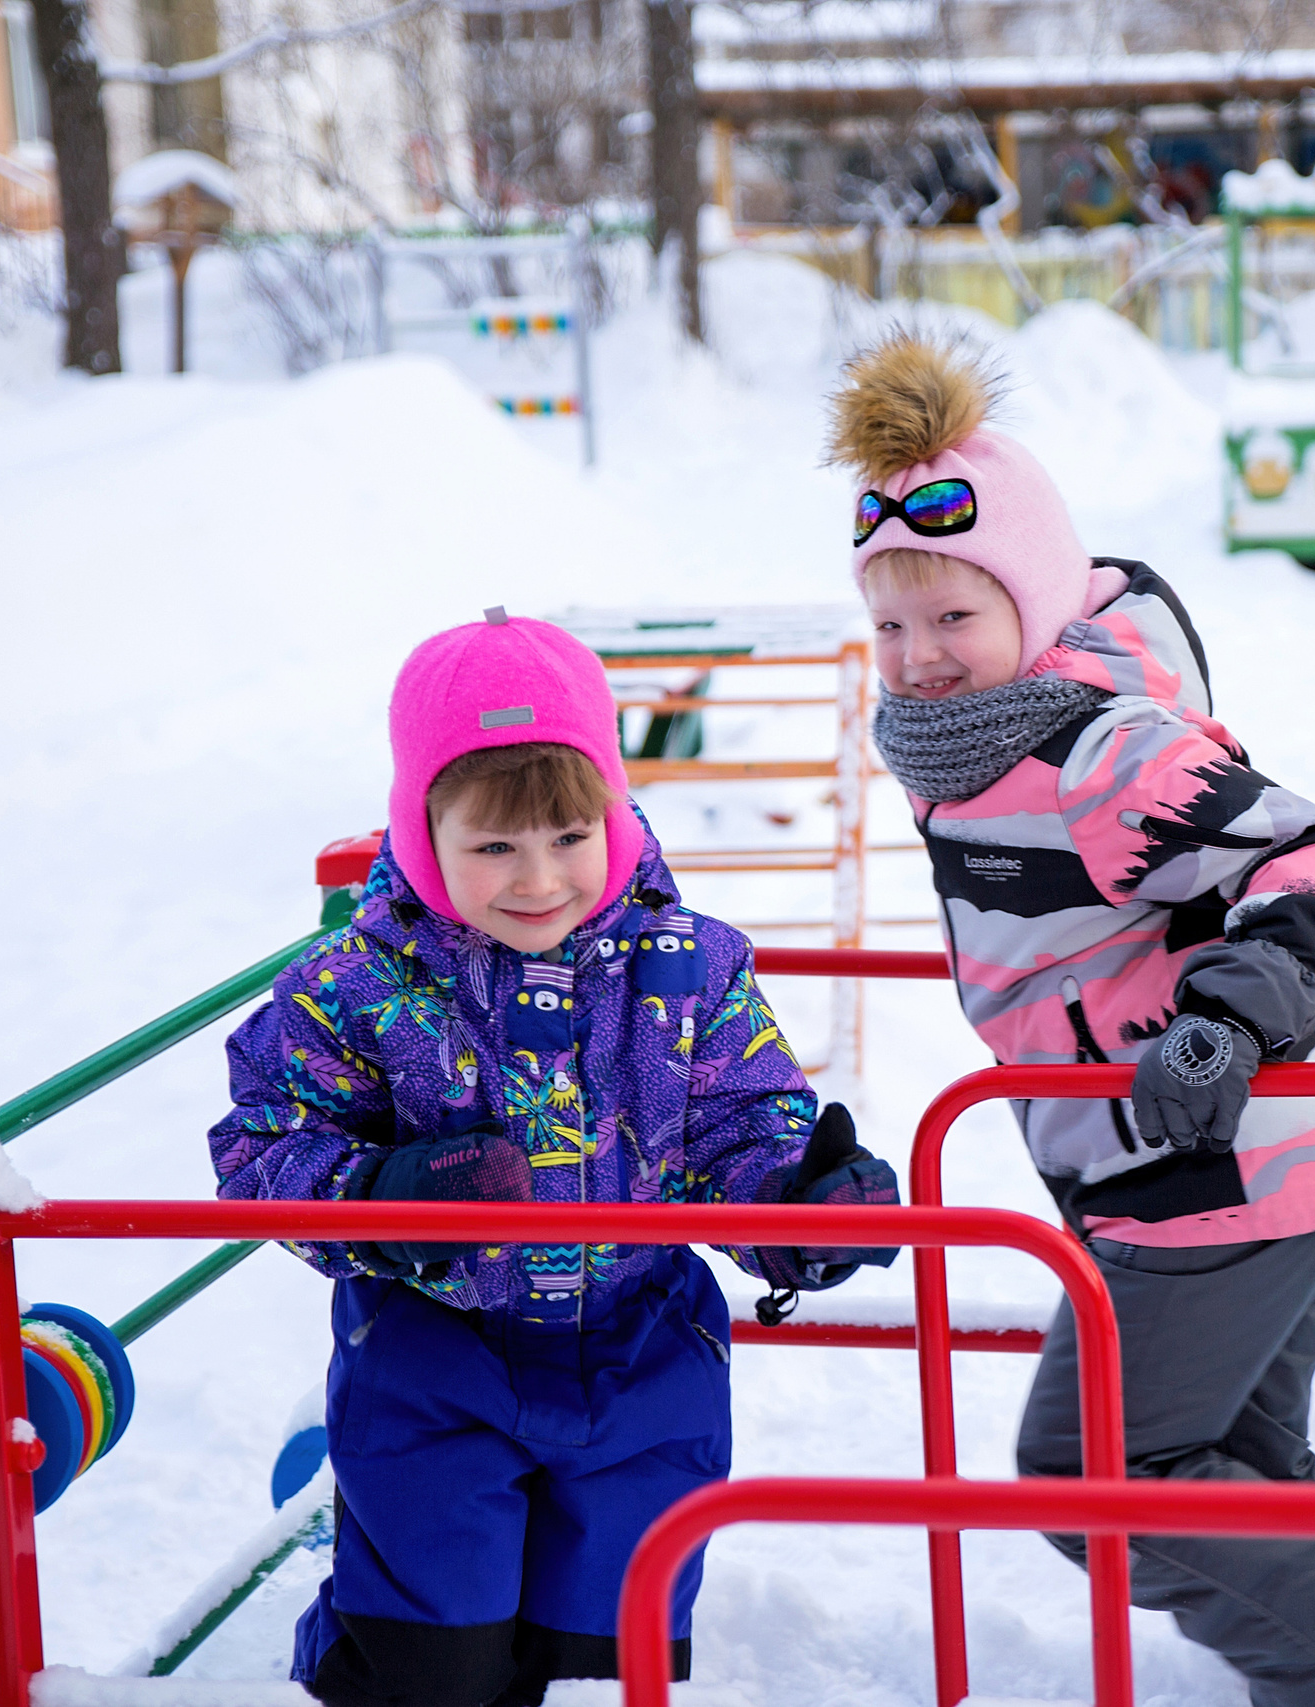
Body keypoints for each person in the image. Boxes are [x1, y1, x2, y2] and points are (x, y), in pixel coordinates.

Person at [827, 335, 1315, 1707]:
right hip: (1185, 1165)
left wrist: (1225, 1021)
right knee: (1242, 1464)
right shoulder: (974, 742)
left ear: (1034, 604)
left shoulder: (1093, 746)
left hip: (1213, 1161)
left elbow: (1313, 856)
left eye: (955, 619)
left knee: (1089, 1475)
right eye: (891, 626)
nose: (921, 660)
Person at [208, 610, 899, 1707]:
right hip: (436, 1363)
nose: (538, 879)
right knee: (433, 1669)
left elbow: (740, 1127)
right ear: (421, 829)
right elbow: (263, 1149)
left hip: (645, 1362)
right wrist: (380, 1192)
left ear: (614, 815)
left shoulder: (689, 967)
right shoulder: (351, 987)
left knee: (603, 1666)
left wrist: (803, 1205)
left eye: (569, 838)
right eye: (493, 846)